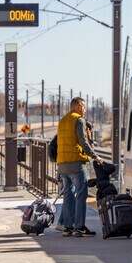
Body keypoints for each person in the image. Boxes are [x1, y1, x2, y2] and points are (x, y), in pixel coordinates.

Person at [57, 97, 103, 237]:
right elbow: (83, 142)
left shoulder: (63, 120)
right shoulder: (79, 120)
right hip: (76, 163)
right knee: (81, 194)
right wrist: (95, 156)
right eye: (83, 106)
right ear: (76, 106)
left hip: (62, 163)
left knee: (68, 195)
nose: (84, 109)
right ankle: (79, 227)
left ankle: (68, 227)